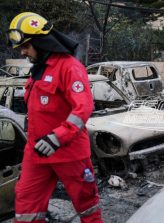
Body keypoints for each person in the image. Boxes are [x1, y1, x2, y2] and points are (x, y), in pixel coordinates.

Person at [6, 12, 103, 222]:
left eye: (25, 46)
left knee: (87, 207)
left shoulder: (69, 67)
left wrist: (57, 137)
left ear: (41, 43)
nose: (22, 52)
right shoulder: (38, 69)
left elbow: (83, 107)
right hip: (37, 153)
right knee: (26, 208)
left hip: (70, 154)